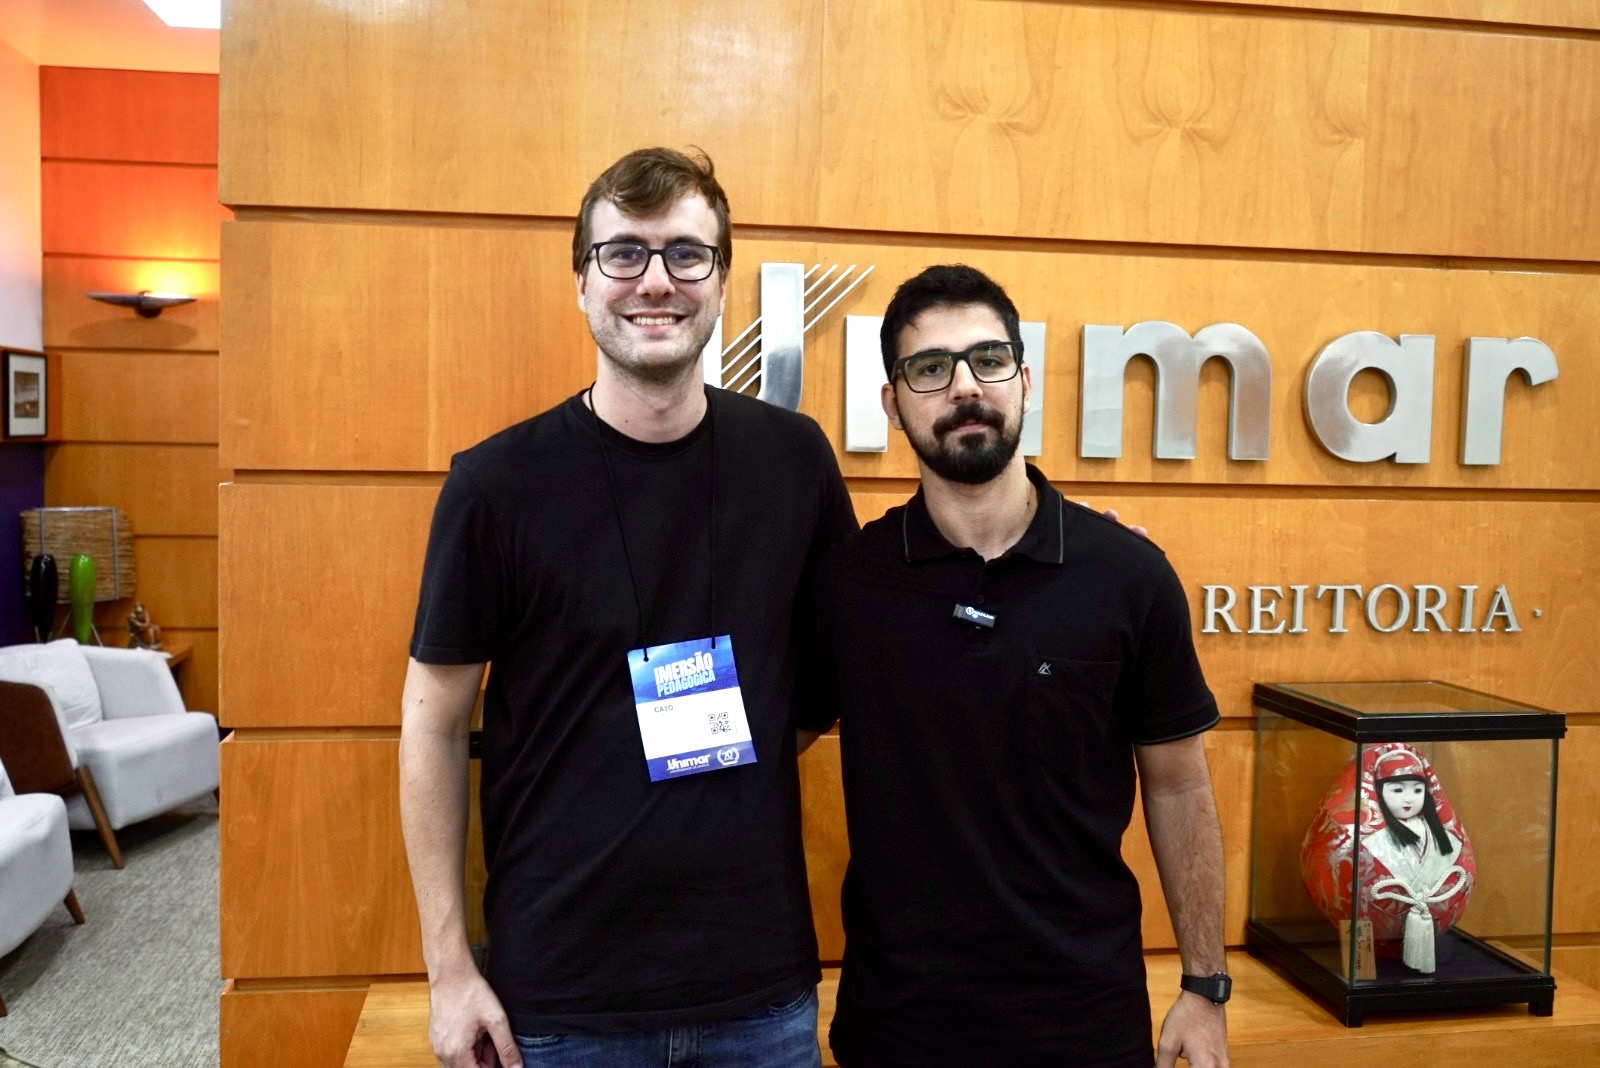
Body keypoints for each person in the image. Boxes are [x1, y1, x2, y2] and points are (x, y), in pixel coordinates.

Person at [399, 147, 856, 1068]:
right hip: (563, 1003)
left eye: (686, 253)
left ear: (721, 280)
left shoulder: (794, 460)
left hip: (759, 993)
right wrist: (448, 970)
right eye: (623, 253)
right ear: (582, 281)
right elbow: (433, 726)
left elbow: (842, 665)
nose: (656, 281)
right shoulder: (495, 486)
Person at [815, 265, 1230, 1067]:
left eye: (988, 359)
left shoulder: (1128, 576)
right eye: (930, 368)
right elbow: (777, 732)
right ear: (892, 404)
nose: (965, 386)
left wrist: (1205, 985)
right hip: (899, 1028)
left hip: (1084, 1026)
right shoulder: (849, 584)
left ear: (1025, 381)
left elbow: (1180, 785)